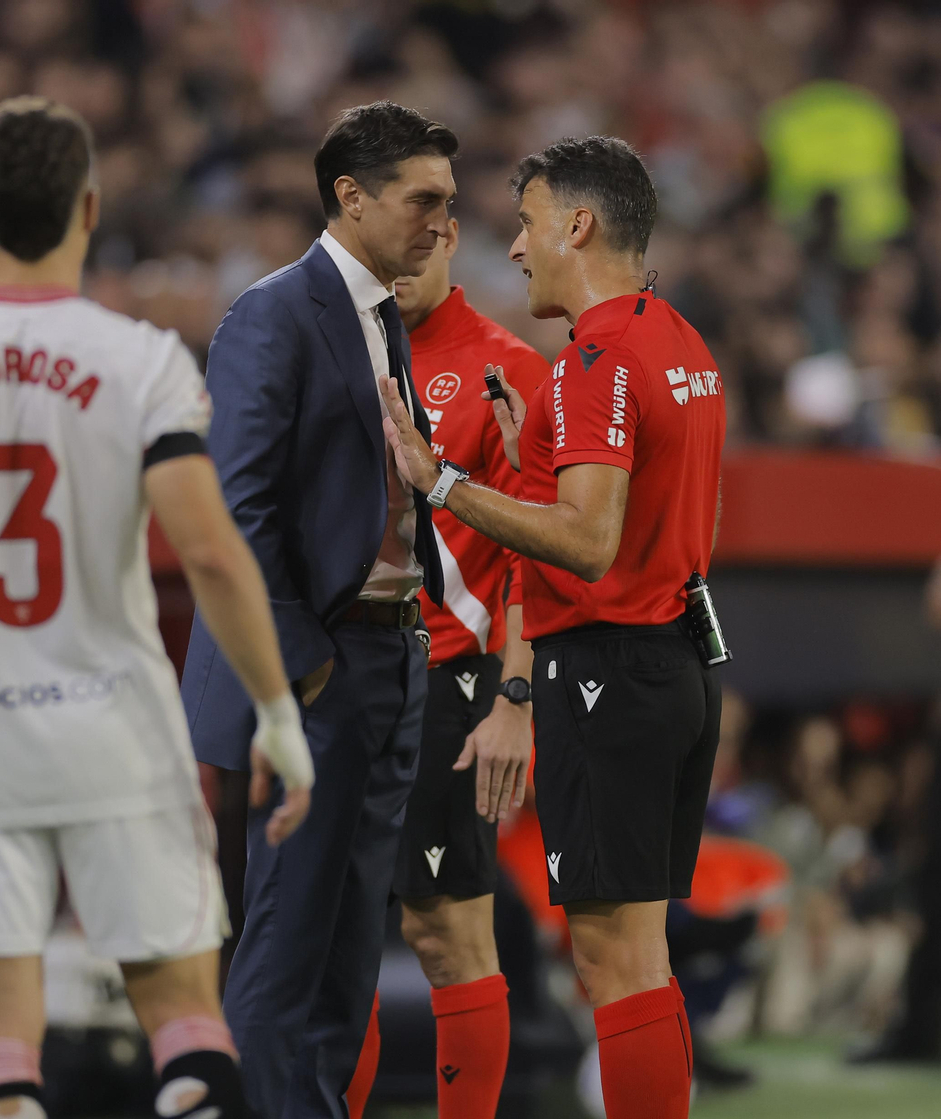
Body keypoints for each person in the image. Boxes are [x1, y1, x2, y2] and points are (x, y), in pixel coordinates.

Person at [0, 96, 314, 1119]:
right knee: (190, 1032)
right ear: (89, 208)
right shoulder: (139, 359)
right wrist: (277, 712)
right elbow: (210, 554)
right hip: (115, 731)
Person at [379, 136, 725, 1119]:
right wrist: (538, 451)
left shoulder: (592, 360)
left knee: (611, 966)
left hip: (607, 671)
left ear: (577, 225)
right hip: (675, 658)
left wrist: (442, 482)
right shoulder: (677, 340)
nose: (518, 250)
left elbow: (583, 542)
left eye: (527, 224)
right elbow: (656, 509)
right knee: (639, 962)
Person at [177, 100, 453, 1119]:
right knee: (284, 956)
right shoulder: (273, 312)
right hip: (316, 671)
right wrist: (295, 668)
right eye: (422, 199)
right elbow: (234, 503)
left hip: (388, 660)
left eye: (448, 202)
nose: (440, 221)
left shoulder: (381, 315)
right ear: (350, 196)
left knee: (343, 967)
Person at [388, 218, 549, 1119]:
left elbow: (540, 549)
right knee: (324, 938)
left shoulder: (502, 367)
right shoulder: (324, 353)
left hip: (452, 676)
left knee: (446, 930)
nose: (403, 260)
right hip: (339, 679)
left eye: (424, 235)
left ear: (450, 238)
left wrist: (513, 697)